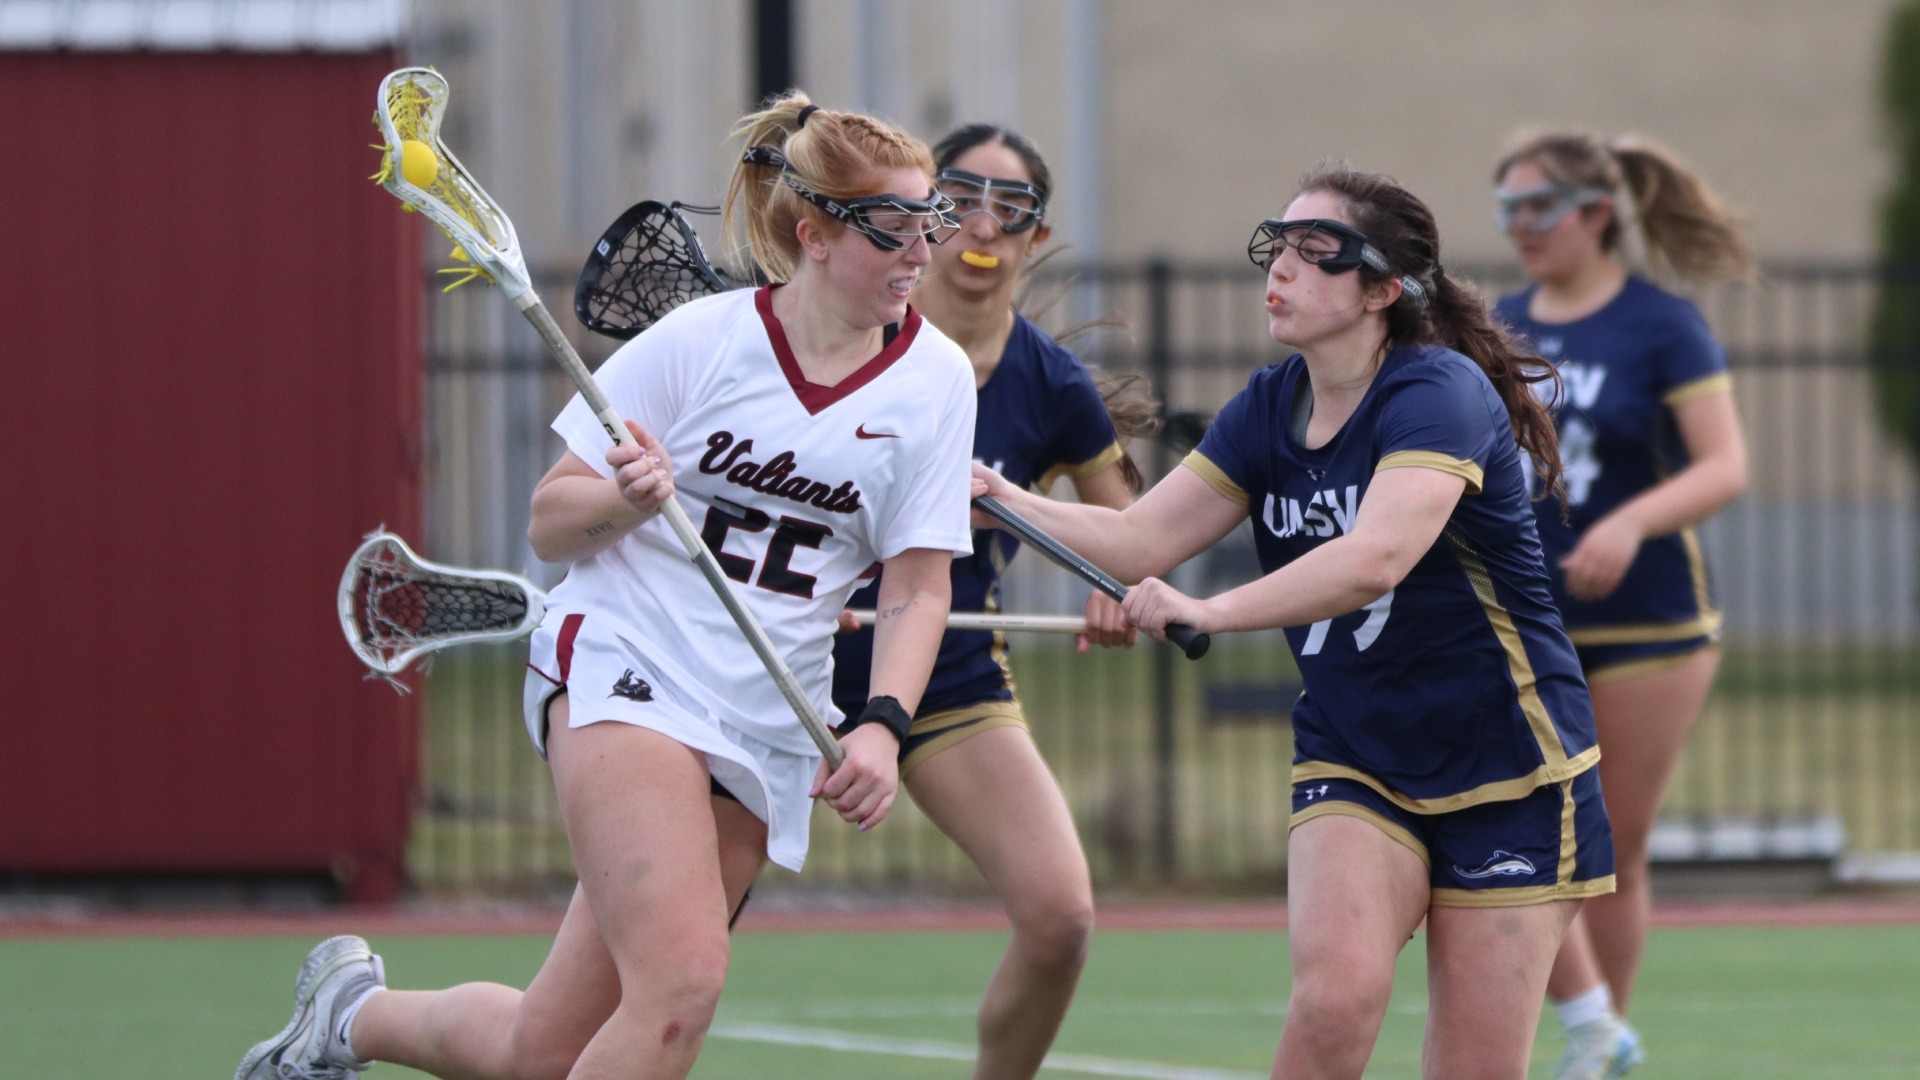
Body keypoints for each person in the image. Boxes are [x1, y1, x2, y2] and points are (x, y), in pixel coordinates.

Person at [233, 91, 979, 1080]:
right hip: (629, 667)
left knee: (548, 1048)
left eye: (929, 222)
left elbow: (918, 585)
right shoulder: (702, 342)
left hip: (763, 718)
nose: (919, 251)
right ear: (814, 232)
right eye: (893, 227)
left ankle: (350, 1018)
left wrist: (882, 722)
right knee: (679, 989)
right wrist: (628, 500)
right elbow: (552, 523)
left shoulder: (935, 382)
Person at [971, 161, 1614, 1080]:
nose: (1281, 269)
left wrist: (1209, 609)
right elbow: (1136, 537)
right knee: (1332, 1007)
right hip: (1358, 754)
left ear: (1383, 290)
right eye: (1277, 246)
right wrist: (999, 498)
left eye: (1317, 255)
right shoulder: (1271, 404)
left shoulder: (1439, 394)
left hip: (1513, 765)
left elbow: (1375, 557)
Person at [829, 122, 1156, 1080]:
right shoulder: (849, 328)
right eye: (960, 198)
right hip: (776, 658)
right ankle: (374, 1018)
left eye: (1009, 211)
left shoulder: (1051, 385)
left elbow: (1130, 532)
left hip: (943, 670)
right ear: (925, 215)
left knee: (1060, 919)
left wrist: (1119, 590)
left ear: (1037, 239)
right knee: (669, 963)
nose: (981, 225)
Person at [1490, 131, 1751, 1080]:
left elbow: (1725, 465)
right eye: (1506, 208)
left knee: (1612, 848)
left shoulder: (1660, 324)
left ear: (1596, 214)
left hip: (1649, 626)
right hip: (1526, 624)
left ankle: (1602, 1042)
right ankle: (1590, 1023)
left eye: (1537, 208)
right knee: (1528, 830)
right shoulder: (1500, 324)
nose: (1519, 227)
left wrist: (1630, 523)